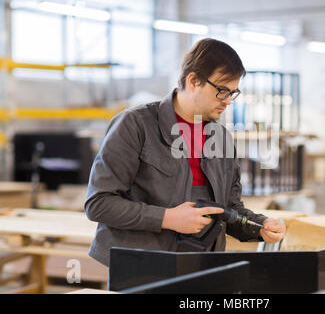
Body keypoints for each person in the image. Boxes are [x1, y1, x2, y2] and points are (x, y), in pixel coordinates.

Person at [84, 38, 286, 267]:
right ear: (193, 81)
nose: (228, 101)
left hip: (202, 265)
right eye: (221, 91)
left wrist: (259, 226)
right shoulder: (136, 125)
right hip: (141, 267)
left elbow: (229, 210)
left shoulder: (221, 138)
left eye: (233, 93)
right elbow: (99, 203)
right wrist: (168, 219)